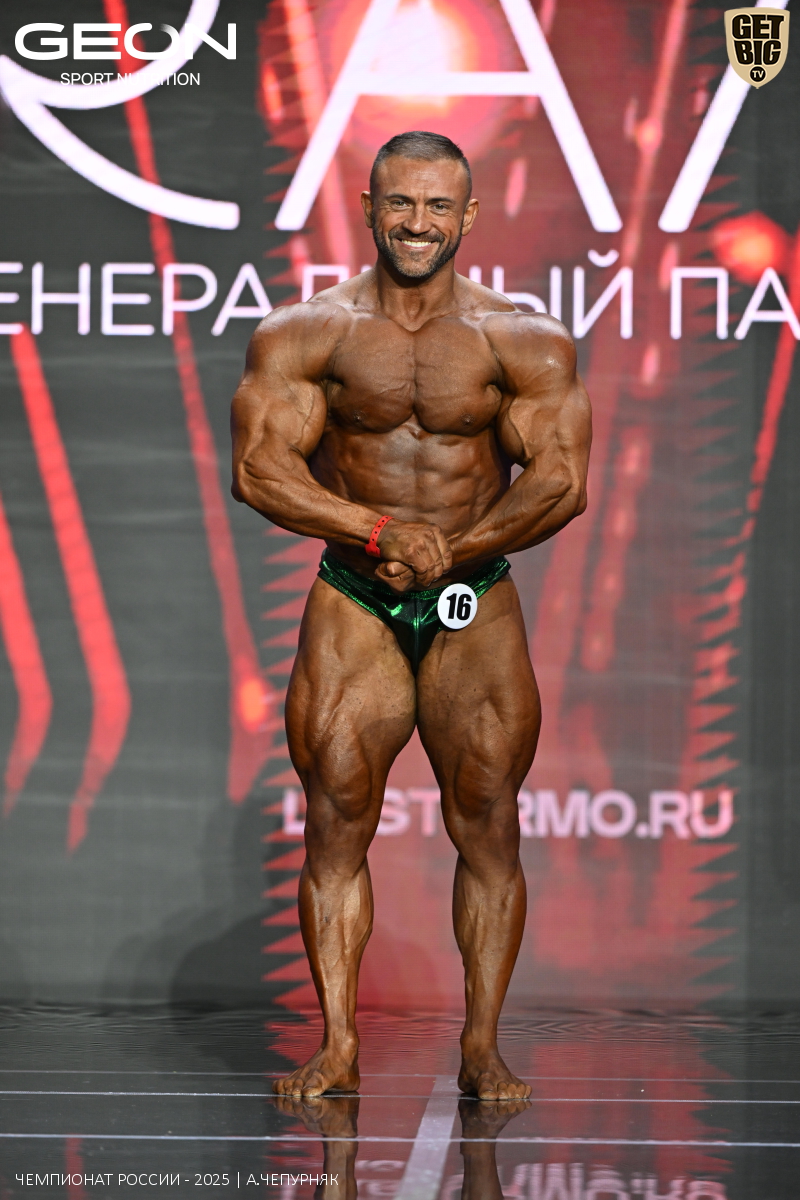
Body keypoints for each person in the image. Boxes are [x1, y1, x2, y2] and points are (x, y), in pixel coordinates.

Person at [231, 131, 591, 1100]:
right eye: (400, 203)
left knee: (487, 822)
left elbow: (560, 482)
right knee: (335, 819)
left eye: (437, 206)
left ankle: (481, 1047)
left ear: (467, 216)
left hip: (475, 598)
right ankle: (338, 1045)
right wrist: (380, 529)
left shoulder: (522, 338)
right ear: (368, 208)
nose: (417, 223)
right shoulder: (306, 332)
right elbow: (258, 469)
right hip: (356, 595)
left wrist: (451, 548)